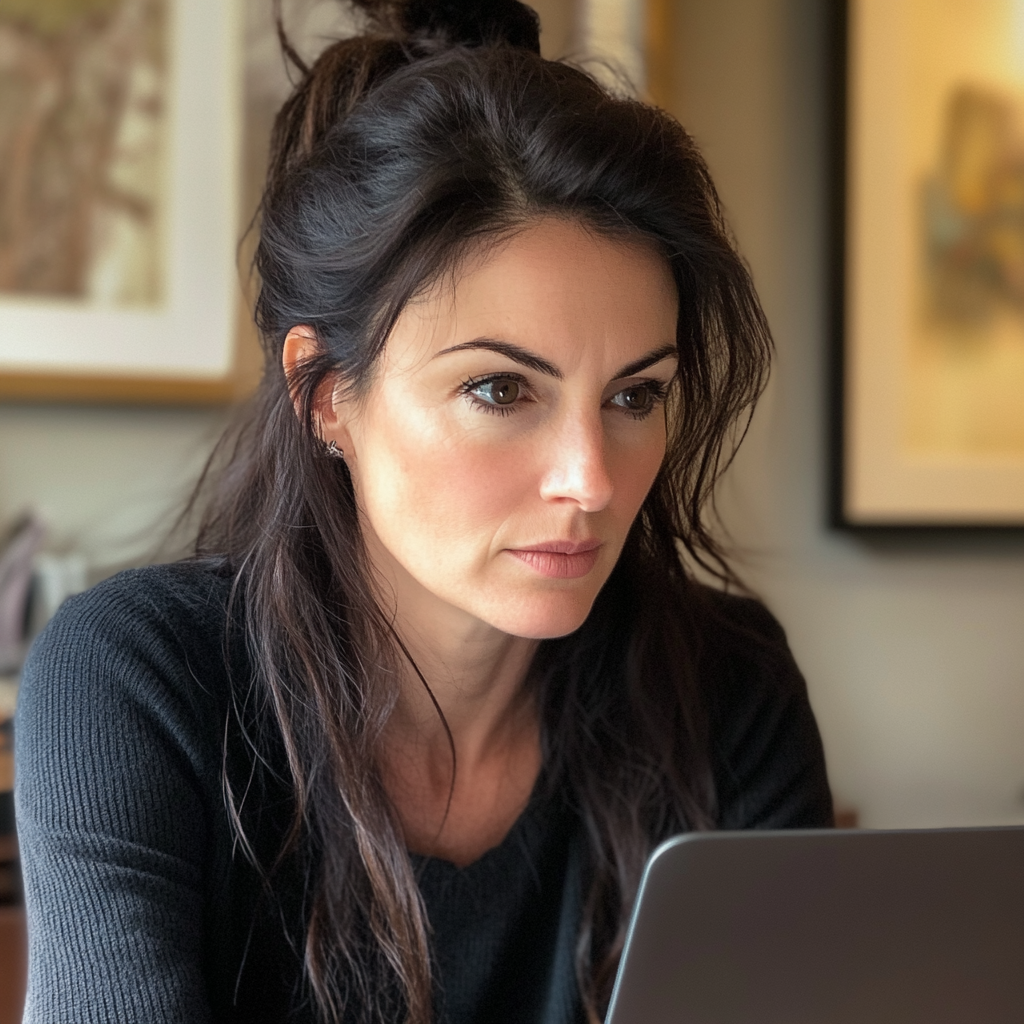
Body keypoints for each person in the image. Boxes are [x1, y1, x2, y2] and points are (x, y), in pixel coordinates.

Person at [15, 2, 833, 1022]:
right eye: (500, 390)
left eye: (634, 396)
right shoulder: (136, 685)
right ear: (324, 393)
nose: (590, 478)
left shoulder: (724, 695)